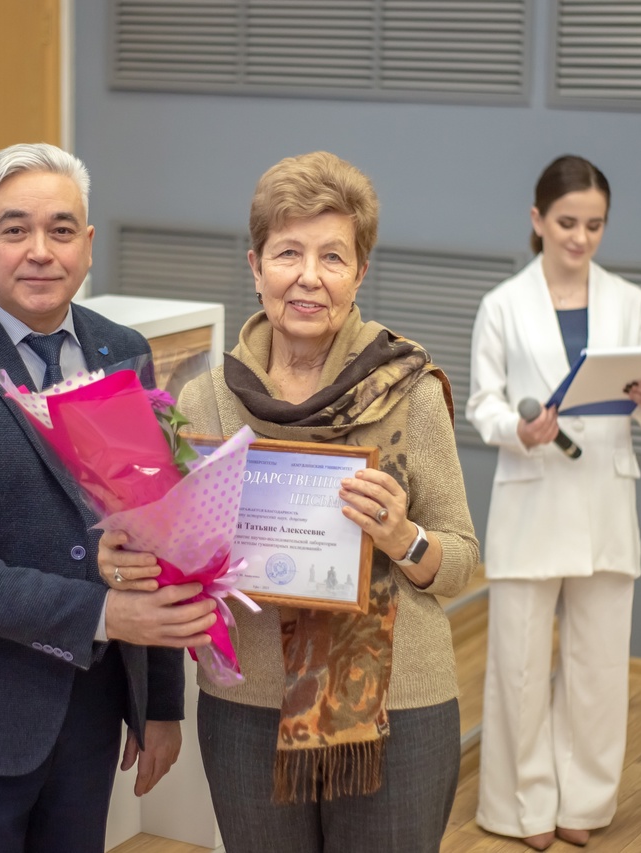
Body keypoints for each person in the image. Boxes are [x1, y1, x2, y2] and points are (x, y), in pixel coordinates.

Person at [99, 151, 480, 852]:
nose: (309, 276)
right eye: (288, 253)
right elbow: (176, 558)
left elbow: (459, 561)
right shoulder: (205, 399)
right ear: (256, 266)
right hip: (246, 705)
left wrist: (403, 537)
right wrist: (132, 552)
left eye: (332, 256)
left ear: (359, 273)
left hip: (395, 707)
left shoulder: (412, 391)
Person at [0, 142, 219, 853]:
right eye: (15, 229)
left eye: (60, 230)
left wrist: (160, 704)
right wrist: (103, 611)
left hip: (92, 705)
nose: (40, 251)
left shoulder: (122, 350)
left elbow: (157, 528)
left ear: (87, 244)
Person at [467, 154, 641, 850]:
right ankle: (521, 807)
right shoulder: (502, 304)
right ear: (537, 219)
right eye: (566, 223)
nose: (580, 237)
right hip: (533, 498)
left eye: (594, 225)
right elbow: (483, 404)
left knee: (598, 668)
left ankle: (584, 800)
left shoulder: (631, 302)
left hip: (605, 500)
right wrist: (518, 430)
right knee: (519, 668)